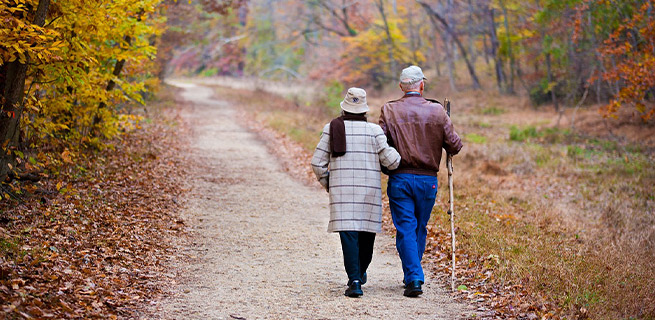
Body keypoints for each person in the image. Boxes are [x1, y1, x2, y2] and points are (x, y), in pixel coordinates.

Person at [379, 65, 463, 297]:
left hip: (400, 177)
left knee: (406, 228)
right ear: (422, 85)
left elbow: (379, 142)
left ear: (401, 87)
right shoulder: (437, 111)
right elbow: (455, 145)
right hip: (428, 181)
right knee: (418, 227)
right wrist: (444, 123)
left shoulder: (389, 110)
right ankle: (414, 276)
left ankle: (413, 276)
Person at [311, 87, 401, 298]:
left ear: (344, 108)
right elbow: (393, 162)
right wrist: (396, 149)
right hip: (368, 192)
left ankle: (354, 280)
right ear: (364, 111)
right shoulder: (374, 131)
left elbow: (317, 163)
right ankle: (359, 274)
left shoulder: (331, 128)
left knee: (348, 235)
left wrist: (329, 183)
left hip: (342, 193)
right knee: (366, 235)